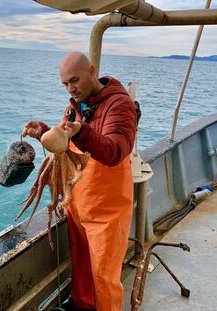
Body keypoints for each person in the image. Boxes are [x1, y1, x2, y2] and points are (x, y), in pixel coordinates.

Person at [22, 51, 137, 311]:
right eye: (65, 84)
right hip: (79, 203)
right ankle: (83, 305)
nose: (70, 89)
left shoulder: (120, 105)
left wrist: (83, 132)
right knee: (83, 265)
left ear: (92, 70)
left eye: (74, 81)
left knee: (104, 276)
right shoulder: (75, 105)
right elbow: (64, 139)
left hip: (106, 210)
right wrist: (42, 130)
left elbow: (116, 150)